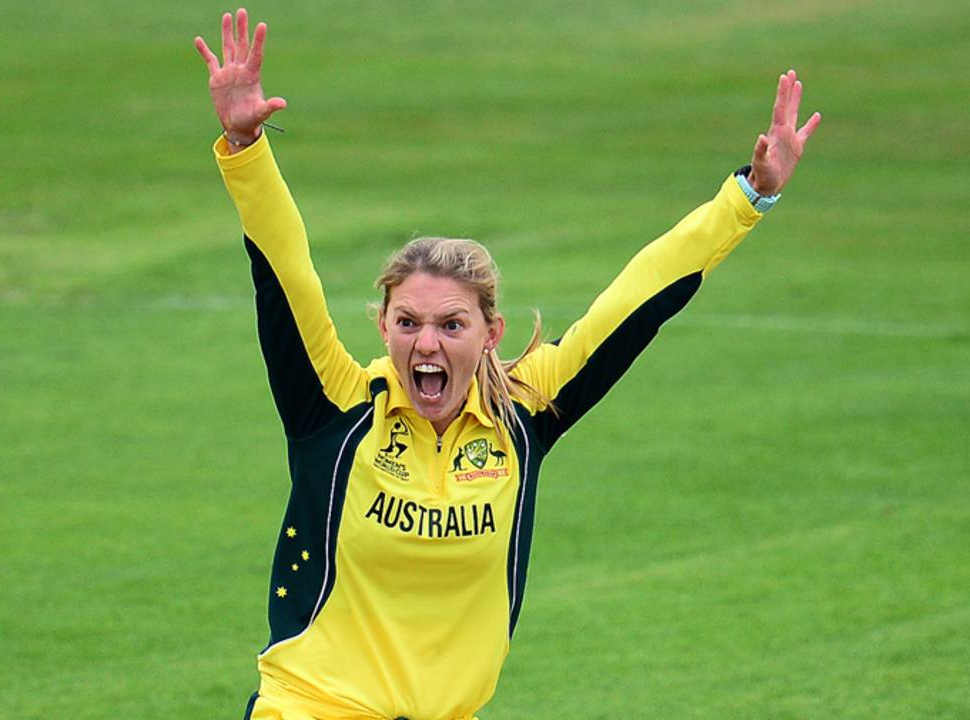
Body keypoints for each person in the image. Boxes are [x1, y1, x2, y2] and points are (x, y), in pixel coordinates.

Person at [194, 8, 820, 720]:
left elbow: (639, 296)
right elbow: (286, 272)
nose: (425, 344)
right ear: (385, 327)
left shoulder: (522, 412)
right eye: (408, 323)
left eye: (450, 324)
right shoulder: (335, 407)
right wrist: (245, 144)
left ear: (491, 333)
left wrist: (748, 197)